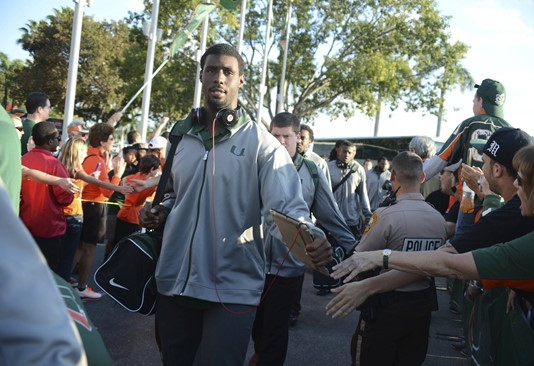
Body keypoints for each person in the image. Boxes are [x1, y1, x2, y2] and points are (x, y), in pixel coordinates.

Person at [139, 43, 332, 366]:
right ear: (201, 75)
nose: (219, 77)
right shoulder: (180, 136)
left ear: (240, 81)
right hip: (173, 282)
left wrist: (311, 236)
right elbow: (173, 193)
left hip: (231, 289)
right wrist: (160, 209)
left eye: (228, 71)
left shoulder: (263, 145)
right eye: (212, 70)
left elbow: (285, 211)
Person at [330, 140, 534, 287]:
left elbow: (451, 264)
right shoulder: (437, 217)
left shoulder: (385, 214)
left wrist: (379, 260)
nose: (517, 185)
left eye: (522, 180)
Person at [250, 112, 357, 366]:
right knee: (255, 323)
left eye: (286, 136)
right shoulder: (255, 164)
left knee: (276, 327)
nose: (279, 141)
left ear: (298, 138)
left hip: (287, 267)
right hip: (251, 261)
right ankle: (260, 352)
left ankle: (266, 358)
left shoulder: (313, 168)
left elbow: (329, 214)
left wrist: (356, 249)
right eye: (275, 135)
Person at [338, 151, 448, 366]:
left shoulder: (386, 215)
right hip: (421, 307)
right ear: (423, 177)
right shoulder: (438, 219)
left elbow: (360, 257)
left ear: (392, 176)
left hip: (385, 306)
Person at [0, 178, 86, 366]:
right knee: (56, 272)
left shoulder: (30, 160)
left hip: (28, 221)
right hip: (50, 226)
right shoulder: (55, 166)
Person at [423, 79, 510, 236]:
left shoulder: (469, 124)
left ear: (480, 100)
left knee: (463, 248)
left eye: (474, 99)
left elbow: (441, 159)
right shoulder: (509, 130)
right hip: (499, 202)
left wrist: (413, 180)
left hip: (469, 202)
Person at [58, 137, 132, 281]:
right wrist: (118, 184)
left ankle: (64, 282)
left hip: (66, 213)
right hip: (74, 214)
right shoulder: (77, 168)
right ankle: (73, 285)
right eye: (83, 152)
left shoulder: (62, 166)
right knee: (73, 253)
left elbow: (78, 187)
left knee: (67, 253)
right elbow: (99, 185)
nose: (85, 155)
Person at [74, 122, 126, 300]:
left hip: (86, 206)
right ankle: (81, 286)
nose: (113, 141)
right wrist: (117, 174)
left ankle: (68, 282)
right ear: (103, 142)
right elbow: (107, 191)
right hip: (95, 207)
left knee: (80, 247)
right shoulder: (97, 160)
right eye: (111, 138)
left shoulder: (89, 157)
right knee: (89, 248)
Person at [20, 122, 74, 274]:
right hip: (49, 229)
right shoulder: (54, 164)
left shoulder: (23, 159)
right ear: (50, 141)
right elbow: (65, 198)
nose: (58, 140)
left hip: (25, 225)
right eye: (57, 137)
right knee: (48, 274)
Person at [328, 139, 372, 239]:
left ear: (354, 153)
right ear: (337, 150)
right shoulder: (328, 167)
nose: (347, 155)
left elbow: (363, 193)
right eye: (344, 151)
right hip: (332, 219)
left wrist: (368, 215)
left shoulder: (359, 170)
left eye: (349, 152)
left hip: (351, 220)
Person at [114, 154, 160, 244]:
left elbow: (123, 181)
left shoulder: (129, 177)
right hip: (134, 216)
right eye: (157, 168)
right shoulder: (149, 184)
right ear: (151, 169)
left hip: (122, 212)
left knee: (117, 243)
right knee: (129, 245)